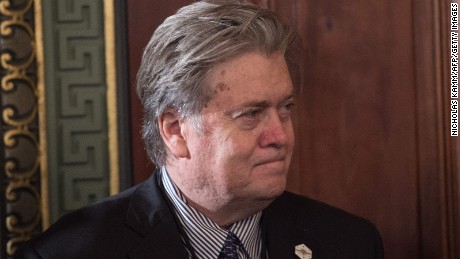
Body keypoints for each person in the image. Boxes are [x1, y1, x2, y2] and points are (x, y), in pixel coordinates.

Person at [14, 0, 384, 258]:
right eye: (251, 115)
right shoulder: (71, 252)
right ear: (176, 131)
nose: (281, 137)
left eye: (285, 109)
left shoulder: (350, 243)